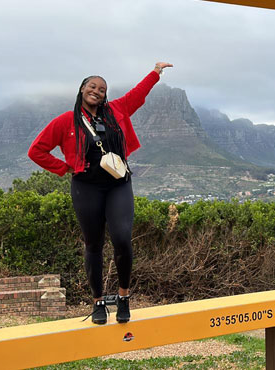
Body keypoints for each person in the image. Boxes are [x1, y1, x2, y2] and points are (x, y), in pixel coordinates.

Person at [28, 62, 174, 324]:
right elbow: (36, 150)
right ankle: (97, 303)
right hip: (86, 187)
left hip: (118, 184)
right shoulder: (65, 121)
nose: (97, 91)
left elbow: (137, 95)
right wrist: (64, 168)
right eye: (92, 86)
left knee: (122, 239)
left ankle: (124, 297)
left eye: (102, 89)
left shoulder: (116, 110)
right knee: (93, 245)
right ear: (82, 89)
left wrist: (155, 72)